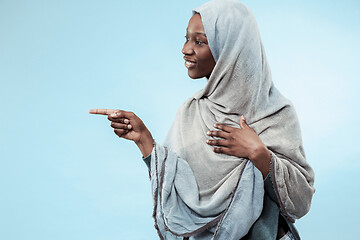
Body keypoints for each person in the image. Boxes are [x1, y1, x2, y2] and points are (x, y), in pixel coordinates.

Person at [89, 0, 315, 239]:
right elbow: (177, 192)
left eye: (199, 42)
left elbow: (300, 200)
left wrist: (258, 153)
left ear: (231, 48)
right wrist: (144, 140)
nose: (186, 49)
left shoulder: (276, 113)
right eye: (186, 38)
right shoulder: (190, 112)